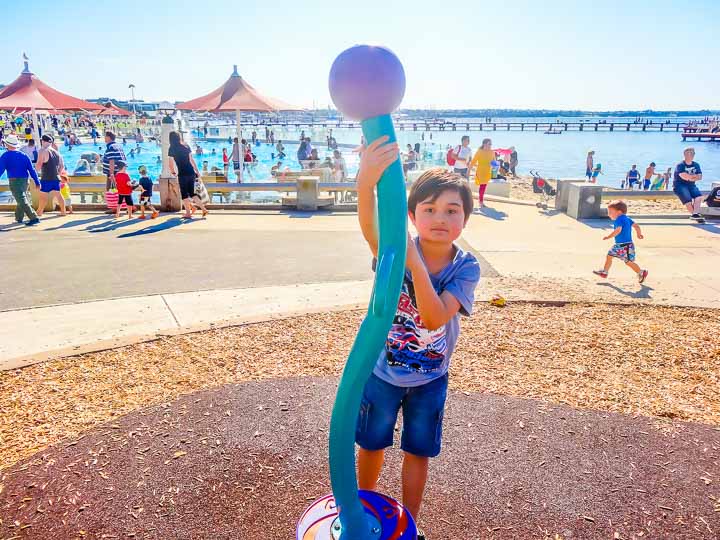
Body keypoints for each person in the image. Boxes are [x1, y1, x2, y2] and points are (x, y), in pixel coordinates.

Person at [355, 138, 480, 535]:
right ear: (412, 215)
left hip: (430, 378)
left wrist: (417, 267)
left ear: (465, 219)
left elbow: (431, 317)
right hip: (384, 371)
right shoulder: (397, 247)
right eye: (429, 209)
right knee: (372, 443)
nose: (440, 217)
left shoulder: (466, 268)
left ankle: (410, 520)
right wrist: (365, 183)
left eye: (451, 210)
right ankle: (364, 508)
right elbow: (371, 231)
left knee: (418, 450)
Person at [593, 200, 648, 283]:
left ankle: (641, 272)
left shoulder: (619, 219)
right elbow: (636, 226)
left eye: (610, 212)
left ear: (619, 212)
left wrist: (608, 236)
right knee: (610, 256)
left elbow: (618, 230)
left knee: (628, 262)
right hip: (621, 245)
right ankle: (605, 272)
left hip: (625, 246)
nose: (608, 214)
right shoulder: (627, 218)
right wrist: (639, 234)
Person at [0, 134, 41, 225]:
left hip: (14, 181)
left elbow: (0, 170)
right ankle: (18, 217)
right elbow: (32, 170)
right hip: (25, 181)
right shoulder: (24, 155)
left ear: (7, 145)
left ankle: (34, 217)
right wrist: (37, 181)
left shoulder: (5, 156)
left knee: (21, 199)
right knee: (21, 198)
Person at [168, 130, 207, 219]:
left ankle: (188, 213)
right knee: (193, 194)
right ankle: (203, 209)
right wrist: (197, 171)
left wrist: (173, 172)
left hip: (182, 174)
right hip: (191, 172)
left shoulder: (172, 148)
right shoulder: (186, 145)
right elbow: (191, 160)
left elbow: (170, 164)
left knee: (184, 195)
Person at [35, 134, 65, 217]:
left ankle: (39, 212)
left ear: (43, 141)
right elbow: (62, 166)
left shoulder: (43, 150)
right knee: (58, 195)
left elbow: (39, 164)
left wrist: (33, 173)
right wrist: (57, 173)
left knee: (43, 196)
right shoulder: (56, 152)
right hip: (56, 177)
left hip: (46, 178)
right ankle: (63, 211)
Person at [673, 148, 705, 222]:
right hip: (679, 185)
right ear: (684, 154)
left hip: (691, 185)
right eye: (688, 153)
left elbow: (700, 177)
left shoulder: (696, 164)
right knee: (688, 200)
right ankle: (695, 215)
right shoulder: (680, 165)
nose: (690, 155)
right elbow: (683, 176)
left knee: (698, 197)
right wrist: (693, 177)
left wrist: (690, 178)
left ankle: (695, 214)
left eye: (692, 153)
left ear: (694, 155)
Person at [470, 138, 494, 209]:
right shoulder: (479, 151)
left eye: (491, 144)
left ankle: (480, 201)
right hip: (480, 172)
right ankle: (481, 202)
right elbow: (474, 161)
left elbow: (493, 161)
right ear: (484, 144)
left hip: (487, 172)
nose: (490, 145)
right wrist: (469, 170)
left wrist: (496, 166)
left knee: (483, 187)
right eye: (489, 144)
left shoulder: (492, 152)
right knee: (482, 187)